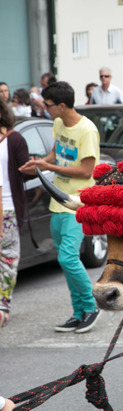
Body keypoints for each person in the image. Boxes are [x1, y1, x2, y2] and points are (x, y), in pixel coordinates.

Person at [18, 81, 100, 333]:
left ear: (62, 106)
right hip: (57, 201)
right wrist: (39, 163)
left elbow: (87, 171)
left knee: (68, 257)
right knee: (64, 260)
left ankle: (92, 307)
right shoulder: (58, 123)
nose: (46, 108)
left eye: (49, 105)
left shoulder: (87, 130)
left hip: (77, 203)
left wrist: (50, 168)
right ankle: (78, 313)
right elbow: (55, 154)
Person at [0, 100, 30, 328]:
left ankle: (2, 307)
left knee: (7, 262)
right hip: (6, 208)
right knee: (8, 261)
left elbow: (24, 172)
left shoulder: (15, 140)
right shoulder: (15, 139)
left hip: (8, 208)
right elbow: (25, 172)